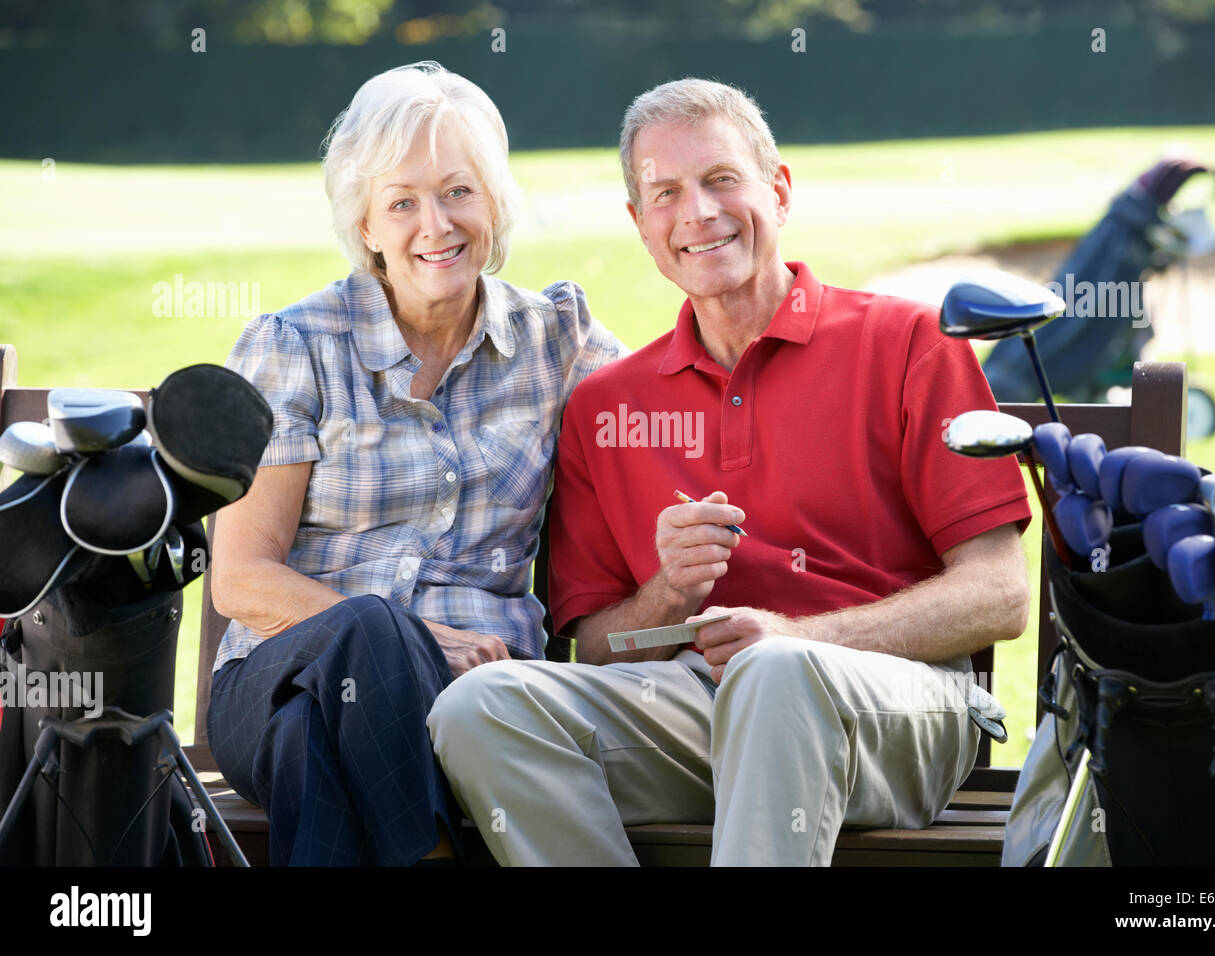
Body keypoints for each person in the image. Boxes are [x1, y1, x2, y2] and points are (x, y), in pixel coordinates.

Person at [427, 78, 1033, 866]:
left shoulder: (910, 342)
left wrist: (799, 637)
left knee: (775, 674)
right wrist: (669, 592)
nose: (699, 213)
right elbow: (602, 648)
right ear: (641, 226)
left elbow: (1001, 593)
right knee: (483, 706)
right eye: (666, 193)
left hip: (897, 706)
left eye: (721, 180)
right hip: (694, 710)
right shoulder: (608, 404)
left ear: (778, 191)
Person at [205, 61, 622, 866]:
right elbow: (242, 581)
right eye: (402, 202)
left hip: (479, 704)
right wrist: (418, 641)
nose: (436, 224)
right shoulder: (296, 347)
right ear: (365, 224)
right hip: (275, 678)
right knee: (365, 628)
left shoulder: (554, 342)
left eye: (458, 191)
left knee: (310, 744)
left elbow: (677, 408)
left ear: (494, 201)